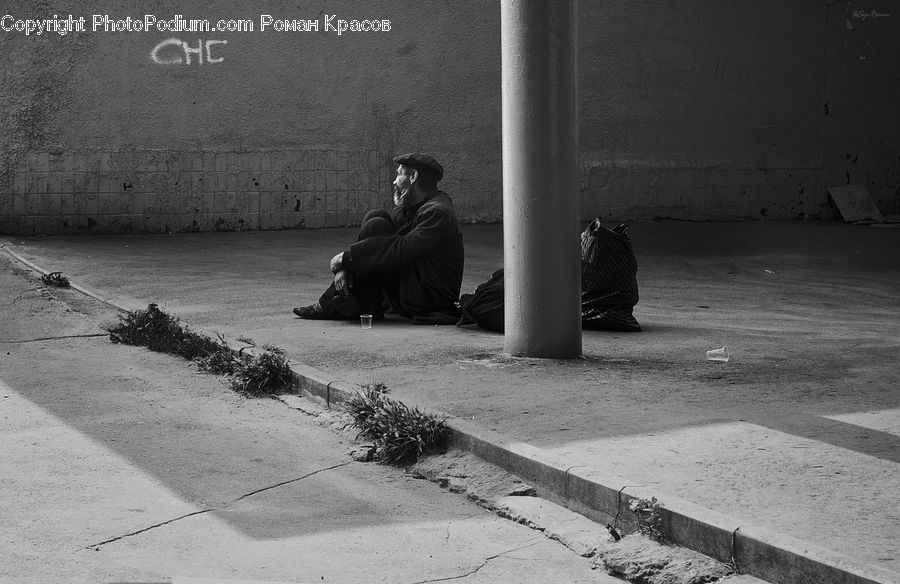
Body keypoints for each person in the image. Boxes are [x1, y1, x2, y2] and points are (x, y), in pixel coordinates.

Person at [292, 153, 465, 321]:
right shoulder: (410, 207)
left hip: (427, 299)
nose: (394, 181)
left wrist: (348, 259)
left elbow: (403, 249)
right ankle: (365, 303)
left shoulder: (438, 212)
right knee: (376, 217)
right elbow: (382, 244)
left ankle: (339, 303)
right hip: (411, 286)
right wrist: (348, 266)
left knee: (377, 226)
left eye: (398, 174)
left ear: (413, 176)